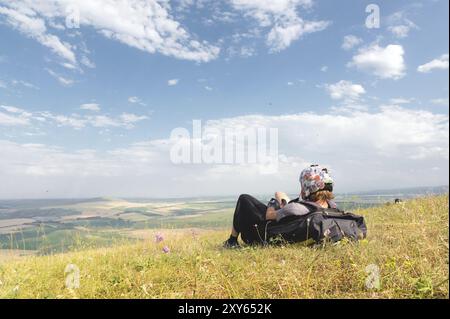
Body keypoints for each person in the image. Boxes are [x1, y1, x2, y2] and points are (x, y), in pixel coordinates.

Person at [223, 164, 336, 248]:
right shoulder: (331, 206)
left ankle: (232, 241)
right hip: (292, 229)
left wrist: (273, 204)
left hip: (264, 235)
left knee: (244, 199)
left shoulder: (295, 208)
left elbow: (269, 215)